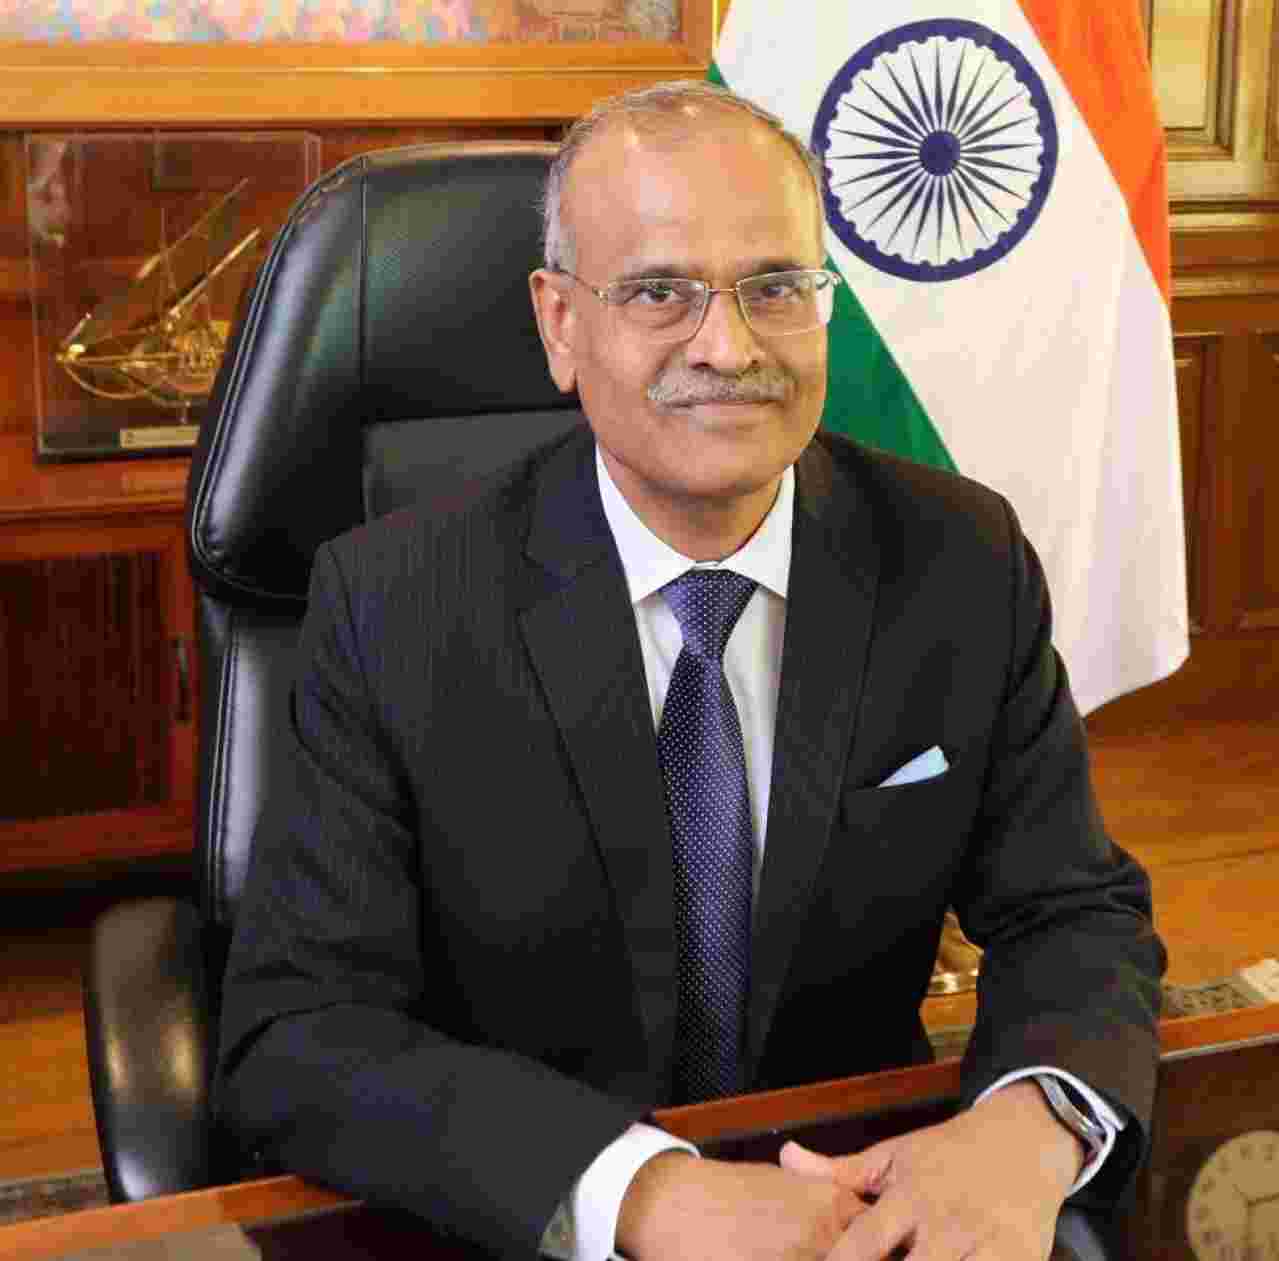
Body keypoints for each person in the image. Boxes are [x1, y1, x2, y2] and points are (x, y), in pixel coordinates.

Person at [217, 81, 1166, 1261]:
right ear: (560, 324)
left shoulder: (958, 558)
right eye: (658, 292)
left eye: (775, 286)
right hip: (522, 1219)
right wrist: (645, 1193)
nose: (728, 347)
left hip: (855, 1212)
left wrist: (1025, 1126)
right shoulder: (394, 600)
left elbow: (1070, 908)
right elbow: (299, 1030)